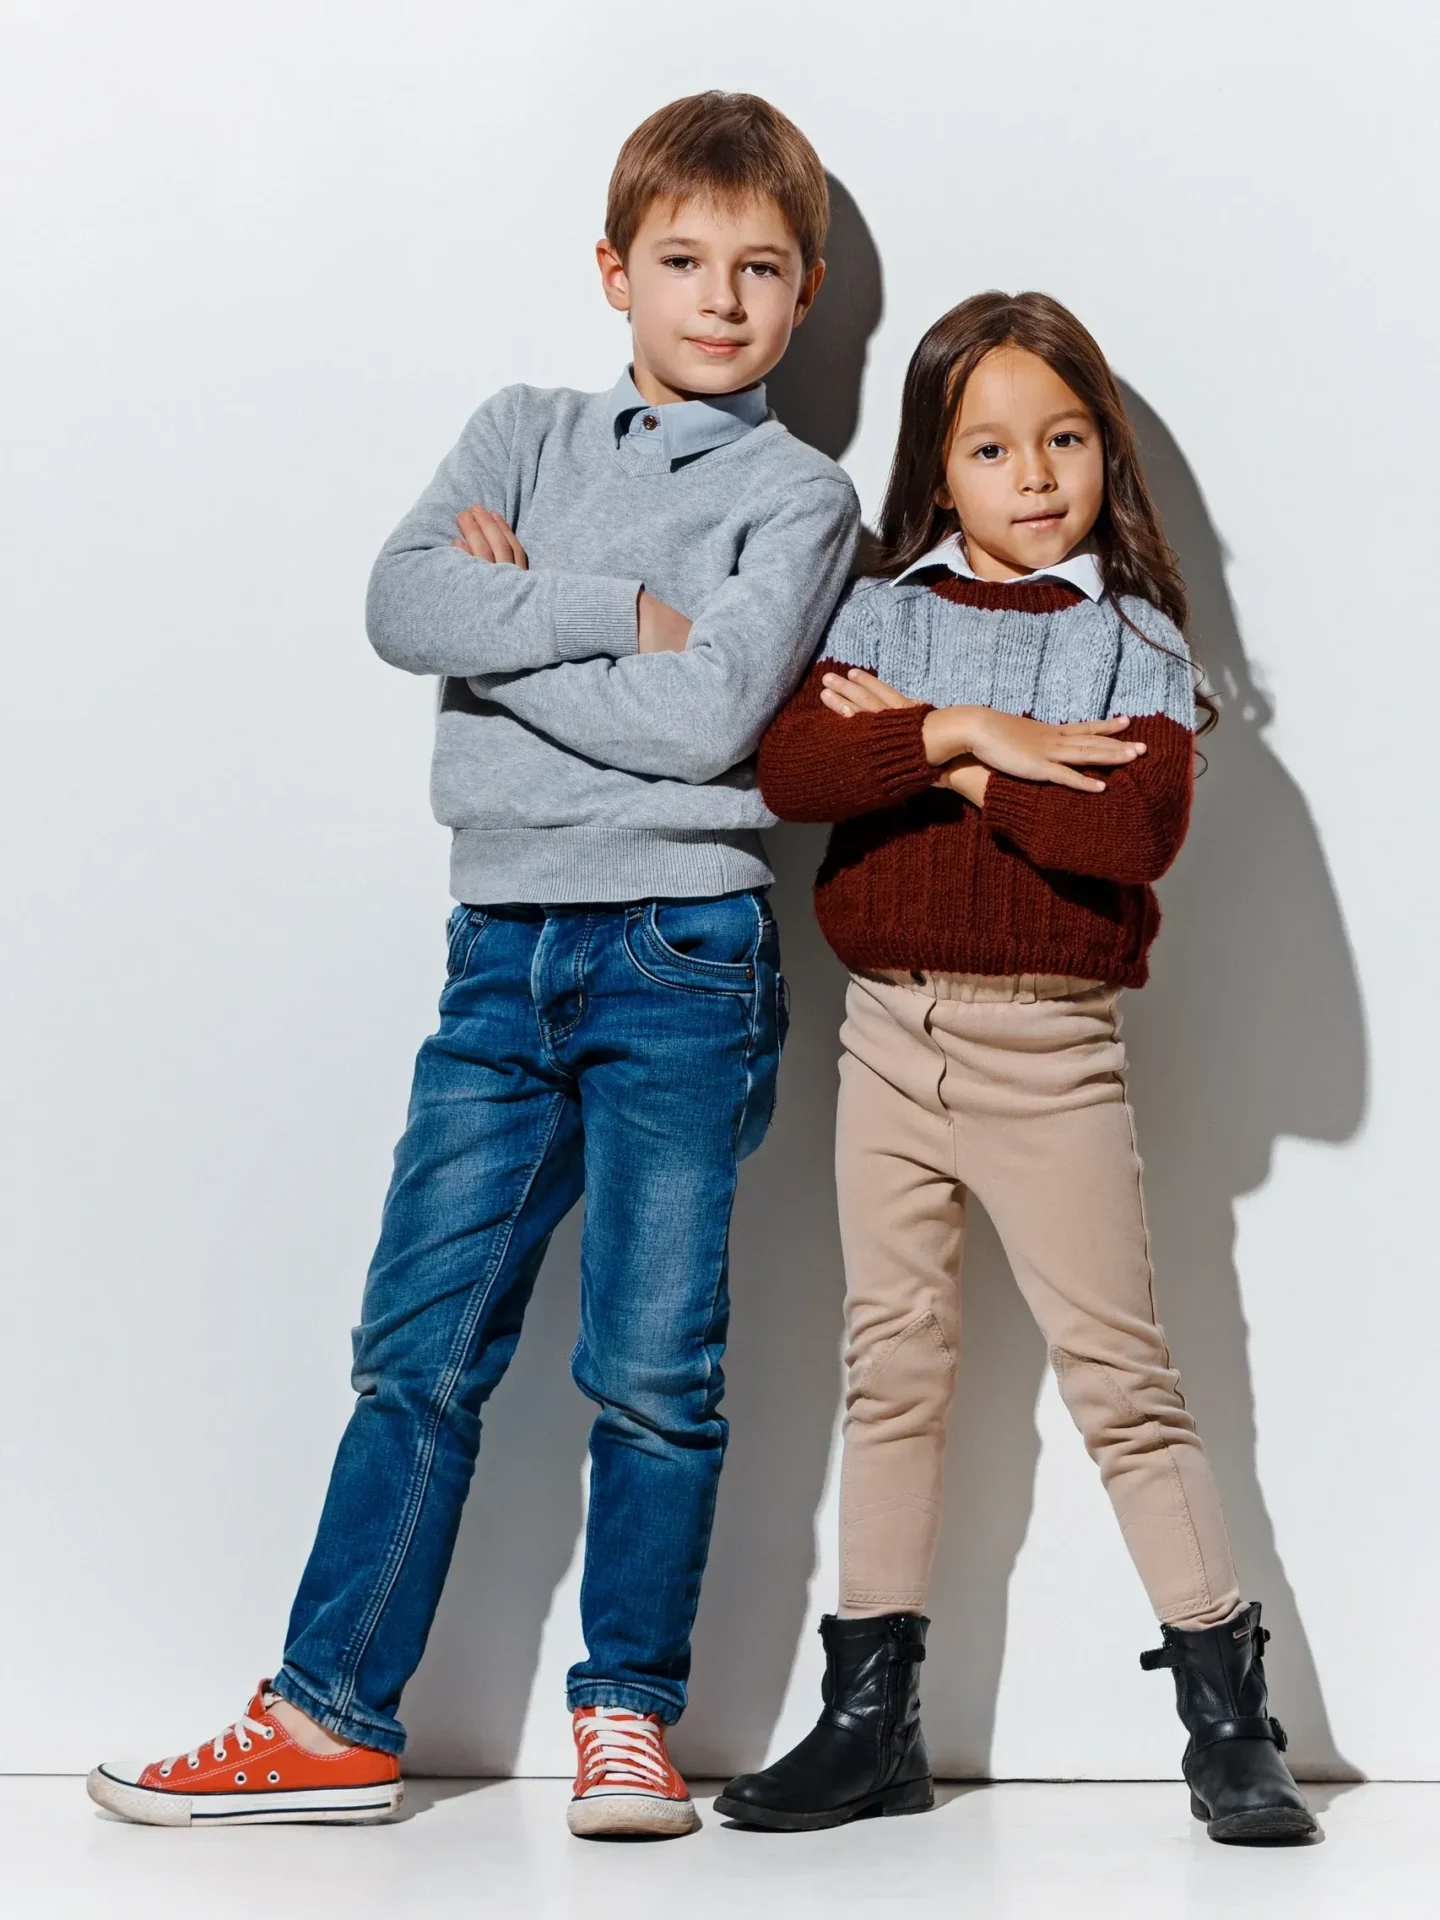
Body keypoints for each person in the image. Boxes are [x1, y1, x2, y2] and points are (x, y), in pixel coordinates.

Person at [89, 91, 860, 1839]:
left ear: (805, 294)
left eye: (758, 269)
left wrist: (509, 640)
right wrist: (613, 611)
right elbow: (401, 603)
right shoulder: (519, 430)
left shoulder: (801, 498)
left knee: (654, 1367)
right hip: (499, 952)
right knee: (415, 1343)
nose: (719, 298)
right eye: (682, 260)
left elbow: (709, 722)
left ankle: (628, 1719)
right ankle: (328, 1718)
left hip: (684, 953)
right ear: (613, 269)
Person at [717, 291, 1316, 1844]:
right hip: (886, 1039)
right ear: (940, 466)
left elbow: (1130, 830)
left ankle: (1228, 1718)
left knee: (1124, 1380)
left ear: (1105, 451)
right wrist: (976, 729)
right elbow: (797, 766)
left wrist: (936, 757)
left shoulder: (1132, 638)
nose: (1033, 475)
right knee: (892, 1370)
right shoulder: (882, 610)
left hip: (1050, 1051)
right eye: (989, 448)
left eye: (1063, 439)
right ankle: (871, 1722)